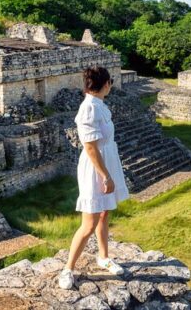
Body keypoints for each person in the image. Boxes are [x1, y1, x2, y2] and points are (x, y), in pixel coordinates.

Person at [58, 66, 130, 290]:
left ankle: (103, 256)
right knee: (88, 223)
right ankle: (68, 268)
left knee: (104, 212)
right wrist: (105, 176)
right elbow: (90, 148)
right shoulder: (88, 108)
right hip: (95, 167)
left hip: (106, 160)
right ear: (106, 83)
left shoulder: (99, 105)